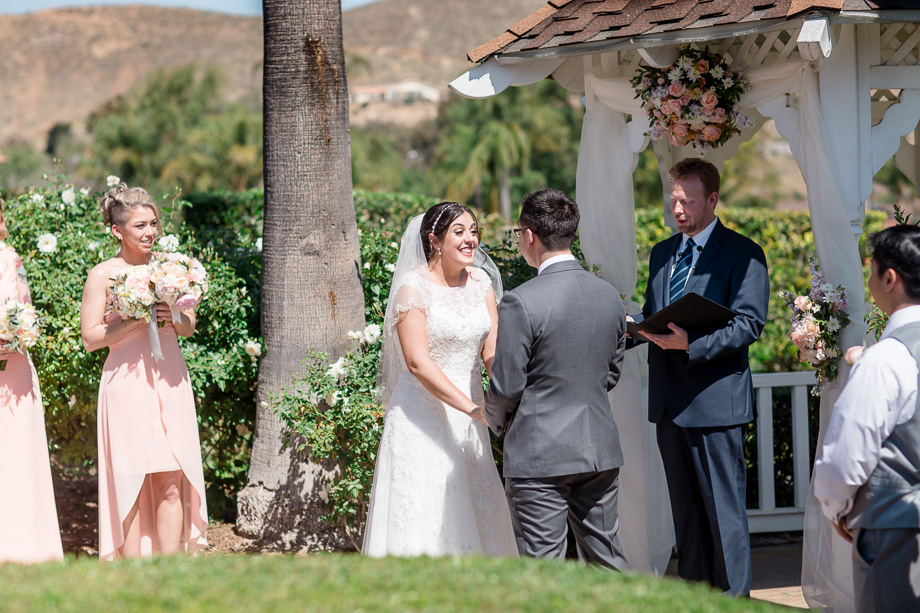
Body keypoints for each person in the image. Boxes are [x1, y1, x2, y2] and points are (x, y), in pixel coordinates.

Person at [631, 158, 769, 595]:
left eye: (687, 201)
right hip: (670, 404)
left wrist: (692, 345)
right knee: (685, 515)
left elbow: (749, 324)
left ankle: (734, 602)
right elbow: (657, 316)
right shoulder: (661, 252)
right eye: (673, 200)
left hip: (716, 403)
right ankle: (694, 601)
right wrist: (628, 327)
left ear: (712, 199)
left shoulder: (744, 252)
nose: (678, 210)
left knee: (723, 515)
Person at [484, 188, 630, 571]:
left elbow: (507, 384)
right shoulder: (609, 296)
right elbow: (611, 371)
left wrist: (494, 422)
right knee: (606, 559)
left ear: (529, 235)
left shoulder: (521, 300)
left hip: (538, 454)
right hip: (598, 448)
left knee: (543, 569)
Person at [362, 201, 517, 557]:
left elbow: (491, 351)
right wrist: (473, 408)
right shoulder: (412, 289)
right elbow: (418, 363)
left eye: (474, 231)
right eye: (459, 232)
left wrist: (502, 397)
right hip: (422, 417)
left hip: (474, 413)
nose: (470, 240)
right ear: (434, 240)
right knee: (425, 507)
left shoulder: (482, 284)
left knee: (476, 503)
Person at [80, 183, 208, 560]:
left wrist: (175, 315)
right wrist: (133, 321)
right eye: (140, 225)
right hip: (126, 384)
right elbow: (90, 338)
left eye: (153, 223)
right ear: (118, 231)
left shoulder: (170, 269)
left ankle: (169, 570)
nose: (150, 232)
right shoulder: (103, 274)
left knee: (171, 478)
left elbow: (188, 327)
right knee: (131, 480)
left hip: (170, 380)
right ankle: (132, 573)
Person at [813, 225, 920, 613]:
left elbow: (846, 457)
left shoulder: (885, 360)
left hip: (898, 531)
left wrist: (837, 509)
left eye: (872, 269)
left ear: (889, 278)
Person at [0, 205, 64, 565]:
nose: (2, 225)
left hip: (13, 367)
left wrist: (18, 331)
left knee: (15, 452)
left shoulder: (11, 260)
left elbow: (26, 311)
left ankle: (22, 549)